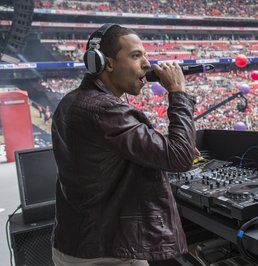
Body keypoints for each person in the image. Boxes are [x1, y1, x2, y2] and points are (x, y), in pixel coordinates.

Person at [51, 24, 197, 265]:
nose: (147, 64)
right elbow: (180, 157)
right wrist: (178, 92)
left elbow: (107, 155)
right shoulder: (105, 109)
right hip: (107, 252)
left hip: (78, 241)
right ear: (106, 63)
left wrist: (155, 145)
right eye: (136, 55)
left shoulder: (72, 101)